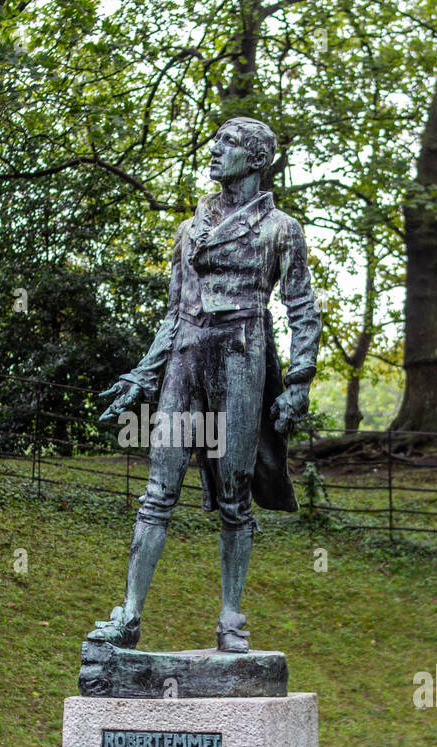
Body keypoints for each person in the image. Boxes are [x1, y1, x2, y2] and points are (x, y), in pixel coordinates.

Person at [88, 116, 321, 653]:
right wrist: (142, 375)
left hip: (241, 359)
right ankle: (129, 615)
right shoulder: (188, 230)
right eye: (215, 142)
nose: (215, 151)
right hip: (186, 362)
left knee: (237, 497)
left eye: (230, 144)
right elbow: (174, 312)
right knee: (156, 493)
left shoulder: (280, 229)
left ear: (259, 160)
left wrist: (300, 379)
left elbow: (301, 308)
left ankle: (231, 619)